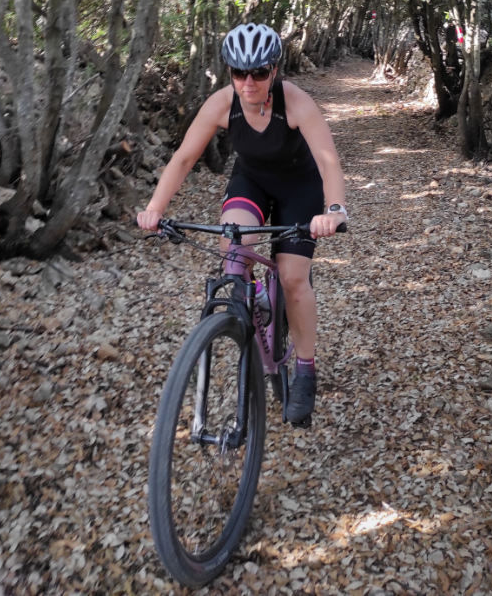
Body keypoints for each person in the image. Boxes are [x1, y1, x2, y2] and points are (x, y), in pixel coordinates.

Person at [137, 23, 348, 423]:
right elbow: (184, 158)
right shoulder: (222, 104)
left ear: (274, 70)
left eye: (259, 72)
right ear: (229, 72)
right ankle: (256, 303)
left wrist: (335, 210)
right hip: (251, 181)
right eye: (238, 73)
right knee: (234, 249)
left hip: (299, 188)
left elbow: (328, 162)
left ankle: (305, 370)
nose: (248, 83)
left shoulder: (295, 102)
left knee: (293, 278)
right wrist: (155, 208)